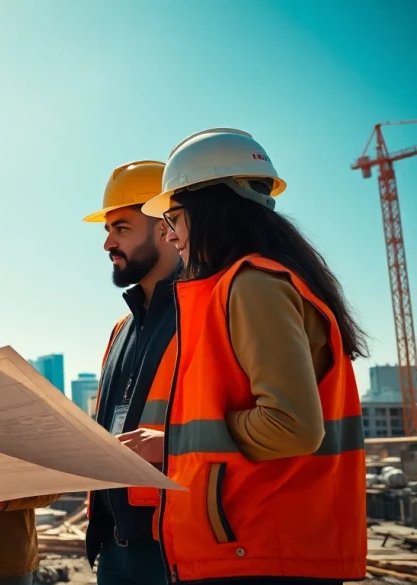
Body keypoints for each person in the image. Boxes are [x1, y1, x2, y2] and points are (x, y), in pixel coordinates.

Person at [140, 128, 367, 584]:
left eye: (175, 217)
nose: (171, 235)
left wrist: (170, 446)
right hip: (257, 545)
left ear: (209, 209)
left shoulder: (253, 285)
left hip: (260, 550)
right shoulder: (251, 283)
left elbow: (292, 426)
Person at [81, 160, 181, 585]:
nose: (107, 243)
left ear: (164, 228)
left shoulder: (203, 314)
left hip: (172, 546)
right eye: (106, 230)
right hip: (115, 548)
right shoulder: (121, 329)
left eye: (120, 228)